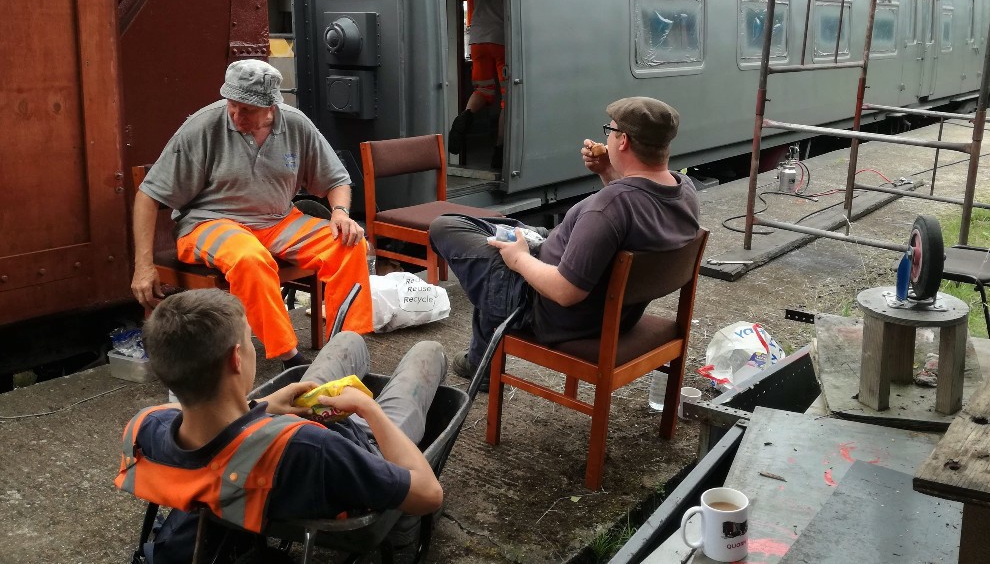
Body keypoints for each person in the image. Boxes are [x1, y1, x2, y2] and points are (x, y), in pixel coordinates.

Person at [115, 288, 446, 563]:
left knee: (348, 340)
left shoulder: (146, 427)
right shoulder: (312, 448)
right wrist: (369, 410)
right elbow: (429, 495)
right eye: (249, 340)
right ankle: (403, 527)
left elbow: (210, 434)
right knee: (428, 352)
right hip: (356, 452)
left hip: (271, 453)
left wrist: (266, 405)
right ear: (236, 358)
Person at [430, 97, 701, 387]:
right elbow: (633, 217)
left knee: (447, 228)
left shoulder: (608, 207)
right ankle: (481, 361)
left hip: (550, 310)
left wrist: (519, 259)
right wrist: (608, 172)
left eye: (610, 131)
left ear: (623, 141)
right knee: (498, 234)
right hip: (617, 313)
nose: (607, 138)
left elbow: (565, 291)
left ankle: (481, 365)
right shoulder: (684, 191)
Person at [131, 59, 373, 368]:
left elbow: (336, 179)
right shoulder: (203, 126)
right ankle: (291, 360)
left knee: (349, 244)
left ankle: (346, 349)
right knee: (250, 258)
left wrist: (339, 212)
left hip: (278, 220)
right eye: (232, 105)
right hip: (210, 222)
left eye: (246, 109)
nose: (235, 115)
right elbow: (148, 195)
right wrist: (143, 266)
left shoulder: (295, 124)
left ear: (271, 106)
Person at [448, 0, 507, 169]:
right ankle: (499, 152)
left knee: (484, 90)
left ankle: (465, 116)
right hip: (500, 38)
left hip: (477, 38)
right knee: (508, 99)